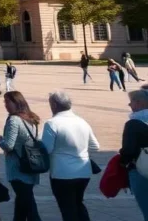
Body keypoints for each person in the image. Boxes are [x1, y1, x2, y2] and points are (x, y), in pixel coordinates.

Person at [42, 91, 99, 221]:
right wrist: (80, 149)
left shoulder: (52, 123)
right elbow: (95, 146)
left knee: (67, 209)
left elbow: (47, 149)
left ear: (54, 105)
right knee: (78, 204)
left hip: (62, 173)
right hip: (84, 172)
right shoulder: (82, 121)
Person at [0, 91, 44, 221]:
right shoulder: (31, 118)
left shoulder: (14, 120)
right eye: (4, 102)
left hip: (18, 169)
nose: (5, 105)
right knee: (21, 206)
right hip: (31, 165)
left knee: (29, 206)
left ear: (16, 102)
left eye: (7, 102)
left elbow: (9, 146)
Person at [120, 88, 148, 219]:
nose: (130, 105)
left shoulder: (133, 124)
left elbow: (128, 151)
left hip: (141, 170)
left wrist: (122, 162)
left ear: (140, 103)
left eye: (131, 102)